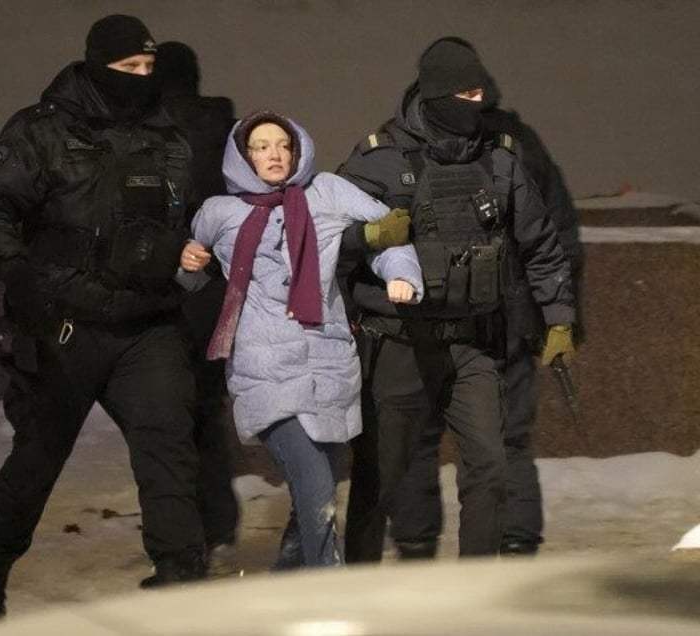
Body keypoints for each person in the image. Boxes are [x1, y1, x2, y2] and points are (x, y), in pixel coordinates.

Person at [0, 14, 207, 624]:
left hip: (147, 323)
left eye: (149, 68)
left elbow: (183, 217)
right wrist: (15, 270)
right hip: (65, 321)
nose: (140, 79)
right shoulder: (41, 130)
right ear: (97, 67)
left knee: (169, 449)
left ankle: (180, 579)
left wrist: (188, 250)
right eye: (128, 69)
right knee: (38, 457)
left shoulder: (170, 136)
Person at [337, 37, 577, 559]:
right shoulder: (379, 159)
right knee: (381, 475)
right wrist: (369, 239)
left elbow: (540, 243)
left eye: (479, 93)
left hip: (474, 342)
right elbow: (325, 239)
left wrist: (558, 319)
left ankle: (475, 590)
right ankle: (351, 584)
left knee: (490, 469)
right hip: (400, 342)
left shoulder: (499, 160)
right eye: (464, 94)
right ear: (438, 95)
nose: (476, 105)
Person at [185, 110, 423, 568]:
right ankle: (327, 595)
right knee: (315, 489)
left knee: (321, 485)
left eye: (283, 145)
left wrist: (401, 276)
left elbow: (390, 236)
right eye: (261, 146)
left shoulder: (327, 192)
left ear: (298, 151)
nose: (274, 154)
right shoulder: (220, 212)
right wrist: (188, 260)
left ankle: (287, 589)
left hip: (328, 362)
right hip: (264, 366)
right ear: (243, 156)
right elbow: (190, 276)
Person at [155, 40, 241, 570]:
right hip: (217, 291)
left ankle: (190, 539)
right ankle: (217, 519)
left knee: (169, 421)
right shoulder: (226, 133)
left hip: (168, 290)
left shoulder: (153, 135)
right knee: (206, 410)